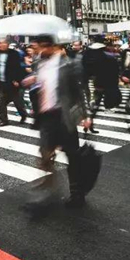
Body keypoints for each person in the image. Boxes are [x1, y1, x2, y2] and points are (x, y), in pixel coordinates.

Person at [26, 35, 91, 209]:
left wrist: (85, 115)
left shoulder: (66, 65)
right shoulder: (39, 64)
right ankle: (49, 187)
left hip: (64, 116)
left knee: (72, 156)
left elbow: (77, 91)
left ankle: (77, 194)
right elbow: (39, 88)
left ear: (51, 47)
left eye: (41, 46)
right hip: (46, 117)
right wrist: (32, 81)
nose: (38, 50)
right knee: (45, 154)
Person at [0, 38, 27, 127]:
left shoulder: (14, 54)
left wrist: (17, 80)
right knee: (1, 102)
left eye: (3, 43)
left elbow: (18, 68)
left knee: (17, 102)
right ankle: (4, 120)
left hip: (12, 82)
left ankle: (23, 114)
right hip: (2, 82)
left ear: (7, 44)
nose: (1, 45)